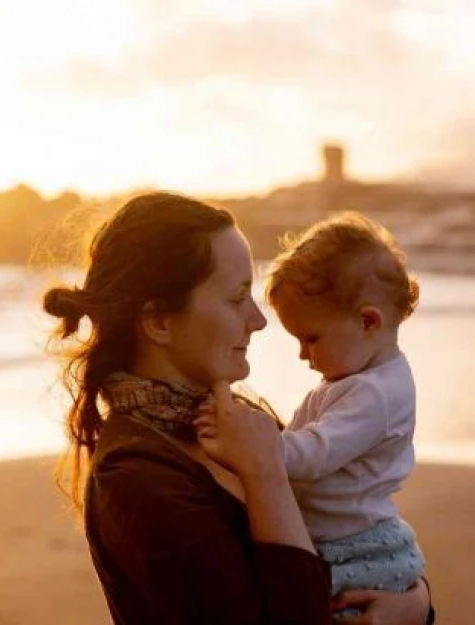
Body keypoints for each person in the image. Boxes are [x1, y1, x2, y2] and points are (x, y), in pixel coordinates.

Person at [42, 192, 434, 624]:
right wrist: (263, 473)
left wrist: (416, 603)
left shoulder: (234, 420)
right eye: (236, 298)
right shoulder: (138, 480)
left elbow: (351, 544)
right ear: (159, 322)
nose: (259, 320)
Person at [201, 212, 425, 615]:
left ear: (368, 321)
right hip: (337, 539)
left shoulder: (376, 394)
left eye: (311, 339)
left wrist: (255, 445)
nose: (303, 355)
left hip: (353, 549)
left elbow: (317, 451)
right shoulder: (358, 378)